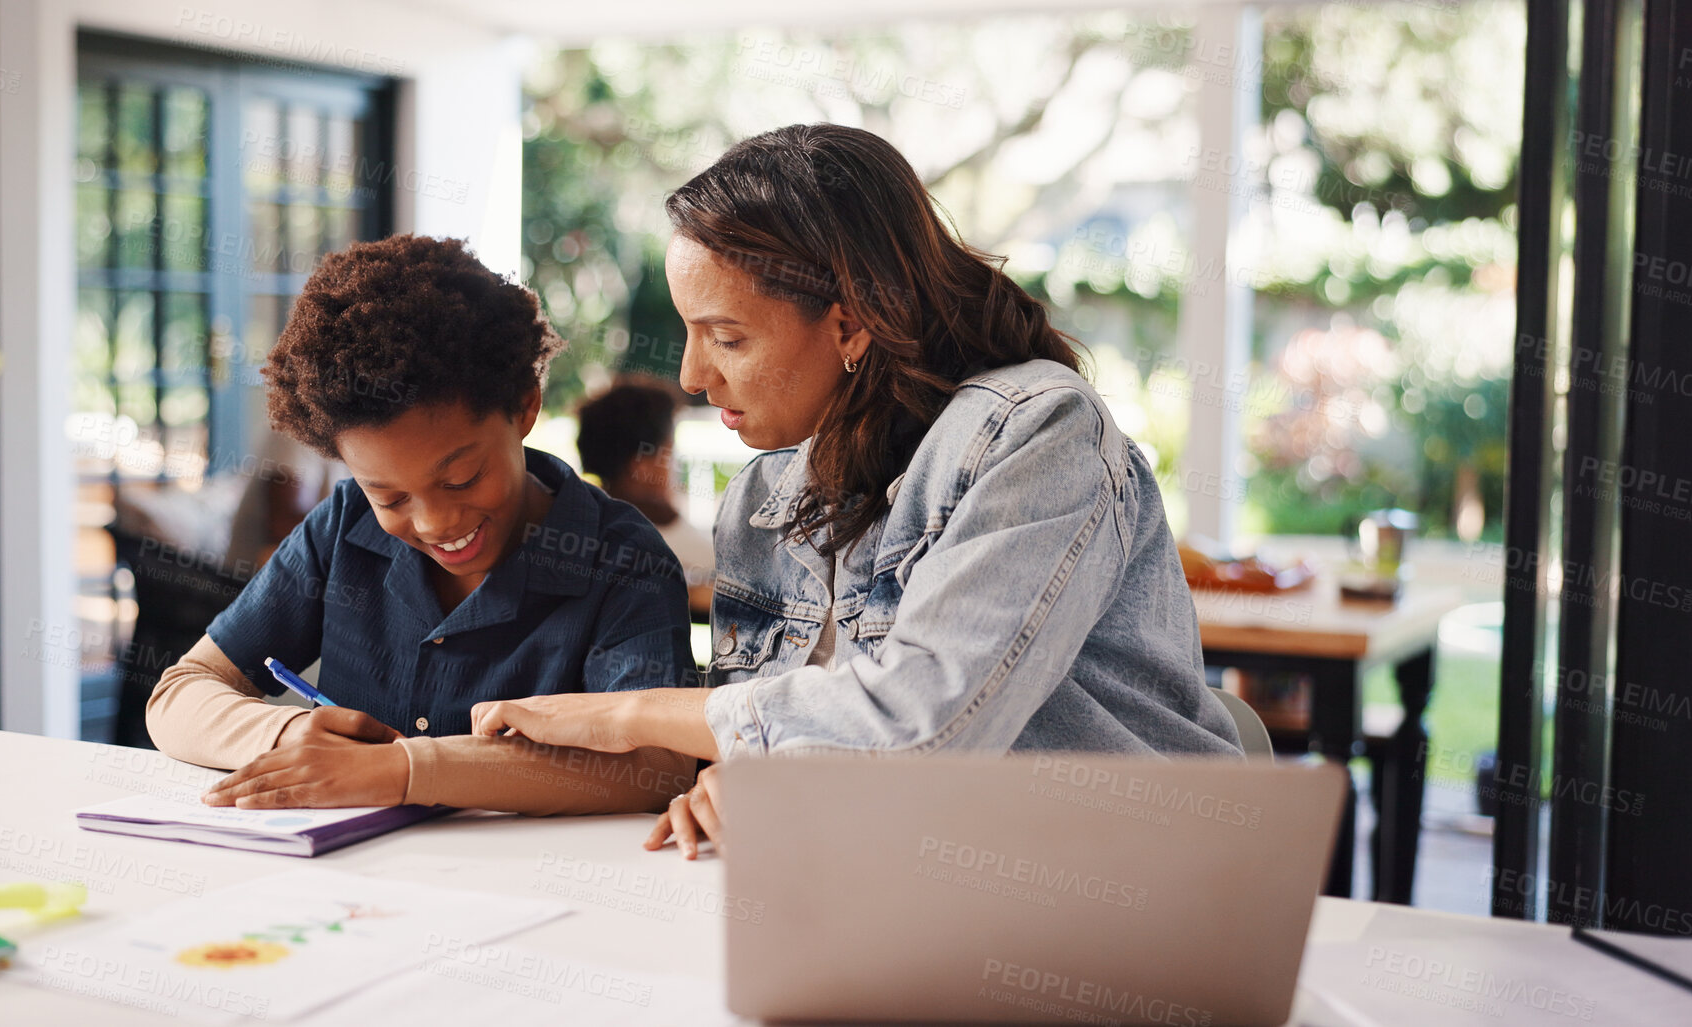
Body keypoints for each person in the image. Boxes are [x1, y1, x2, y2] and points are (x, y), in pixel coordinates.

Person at [467, 124, 1242, 856]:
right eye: (690, 334)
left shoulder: (1038, 431)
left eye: (727, 337)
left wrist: (628, 711)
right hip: (902, 883)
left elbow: (924, 726)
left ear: (851, 325)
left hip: (1123, 884)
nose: (692, 378)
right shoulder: (762, 496)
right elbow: (774, 751)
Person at [145, 235, 700, 815]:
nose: (435, 521)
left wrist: (406, 770)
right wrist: (282, 735)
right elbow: (178, 695)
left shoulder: (618, 558)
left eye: (460, 479)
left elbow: (657, 766)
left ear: (525, 408)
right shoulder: (343, 528)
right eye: (389, 495)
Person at [575, 382, 716, 620]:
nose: (675, 467)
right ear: (641, 465)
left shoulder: (577, 529)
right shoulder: (682, 544)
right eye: (670, 453)